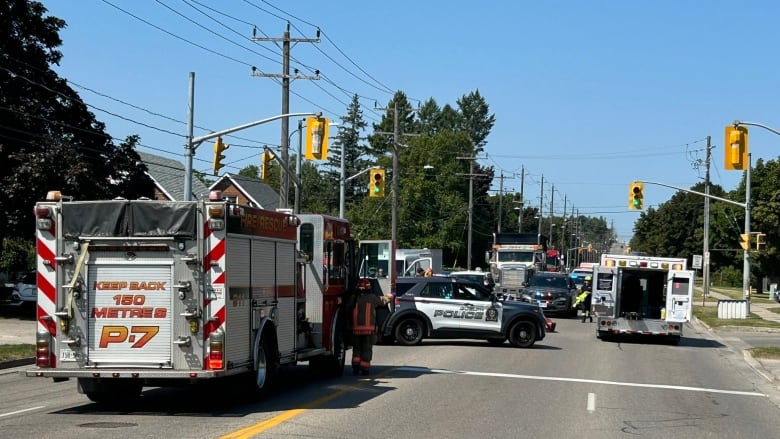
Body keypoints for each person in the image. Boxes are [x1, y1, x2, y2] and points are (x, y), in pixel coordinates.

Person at [351, 278, 393, 376]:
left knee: (356, 350)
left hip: (355, 330)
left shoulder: (353, 298)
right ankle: (365, 369)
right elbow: (383, 300)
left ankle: (355, 368)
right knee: (366, 350)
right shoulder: (372, 298)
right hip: (368, 331)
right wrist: (390, 296)